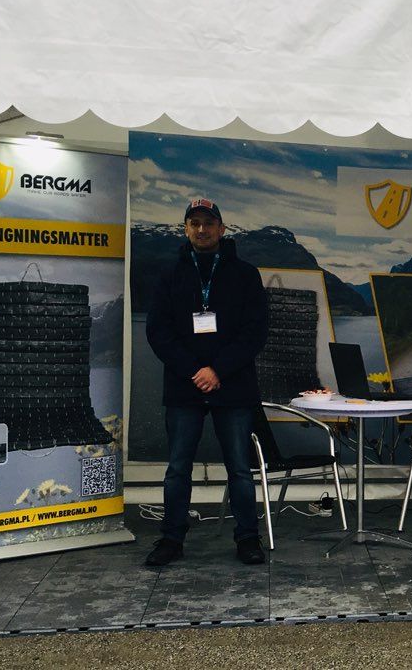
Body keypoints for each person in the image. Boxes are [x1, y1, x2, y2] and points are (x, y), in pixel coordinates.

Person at [144, 198, 270, 566]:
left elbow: (255, 331)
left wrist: (217, 370)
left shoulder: (246, 274)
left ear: (222, 229)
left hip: (233, 386)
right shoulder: (169, 274)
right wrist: (194, 371)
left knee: (240, 468)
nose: (202, 229)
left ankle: (248, 538)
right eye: (194, 223)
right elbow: (158, 331)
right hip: (185, 387)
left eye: (209, 223)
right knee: (177, 468)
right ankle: (171, 540)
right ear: (186, 229)